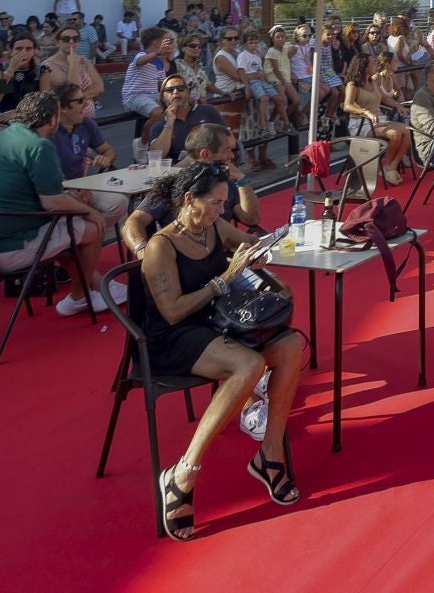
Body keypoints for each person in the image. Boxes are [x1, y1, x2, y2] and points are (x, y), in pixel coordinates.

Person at [139, 160, 309, 540]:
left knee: (291, 344)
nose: (221, 208)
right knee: (247, 365)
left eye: (223, 202)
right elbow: (172, 311)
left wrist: (260, 251)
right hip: (172, 337)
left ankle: (270, 453)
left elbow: (246, 242)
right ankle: (183, 471)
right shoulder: (160, 245)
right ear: (189, 200)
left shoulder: (213, 226)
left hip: (214, 323)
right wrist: (222, 281)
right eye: (216, 202)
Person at [0, 91, 119, 315]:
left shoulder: (5, 136)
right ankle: (80, 297)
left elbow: (33, 193)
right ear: (53, 119)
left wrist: (70, 200)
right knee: (92, 228)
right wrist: (89, 211)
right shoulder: (39, 145)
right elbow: (52, 202)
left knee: (65, 231)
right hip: (4, 248)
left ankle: (100, 285)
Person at [122, 123, 261, 254]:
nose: (232, 156)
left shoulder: (224, 180)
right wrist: (144, 253)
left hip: (223, 259)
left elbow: (251, 219)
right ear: (205, 155)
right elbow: (133, 223)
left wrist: (242, 180)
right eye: (227, 150)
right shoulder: (173, 183)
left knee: (270, 279)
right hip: (182, 265)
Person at [50, 86, 128, 229]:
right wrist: (71, 191)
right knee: (67, 221)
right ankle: (85, 236)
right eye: (80, 101)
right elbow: (45, 177)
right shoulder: (48, 130)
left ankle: (88, 235)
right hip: (56, 190)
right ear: (63, 108)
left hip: (82, 185)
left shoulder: (86, 124)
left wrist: (107, 159)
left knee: (120, 203)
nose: (87, 103)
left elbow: (108, 150)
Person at [341, 55, 411, 186]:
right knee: (394, 134)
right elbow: (347, 105)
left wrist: (397, 106)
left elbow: (385, 98)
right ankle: (387, 167)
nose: (376, 65)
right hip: (360, 123)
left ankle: (390, 167)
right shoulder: (352, 84)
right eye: (373, 63)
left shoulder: (372, 81)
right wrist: (365, 112)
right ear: (364, 67)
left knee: (408, 131)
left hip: (379, 120)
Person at [143, 74, 227, 162]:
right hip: (179, 172)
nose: (175, 92)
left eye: (180, 88)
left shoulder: (208, 110)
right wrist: (170, 122)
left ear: (188, 92)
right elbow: (157, 156)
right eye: (169, 90)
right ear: (163, 97)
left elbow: (230, 141)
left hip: (213, 167)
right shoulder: (159, 126)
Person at [42, 22, 105, 102]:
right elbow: (72, 92)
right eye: (66, 39)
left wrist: (81, 98)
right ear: (57, 42)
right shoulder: (47, 66)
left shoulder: (84, 61)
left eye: (75, 39)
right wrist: (73, 64)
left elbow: (100, 87)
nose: (71, 42)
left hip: (87, 113)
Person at [122, 26, 174, 119]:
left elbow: (161, 84)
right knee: (159, 114)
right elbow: (140, 61)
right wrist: (157, 52)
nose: (168, 43)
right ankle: (147, 134)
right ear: (155, 42)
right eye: (165, 41)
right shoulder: (141, 54)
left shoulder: (159, 62)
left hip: (153, 95)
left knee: (177, 107)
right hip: (135, 96)